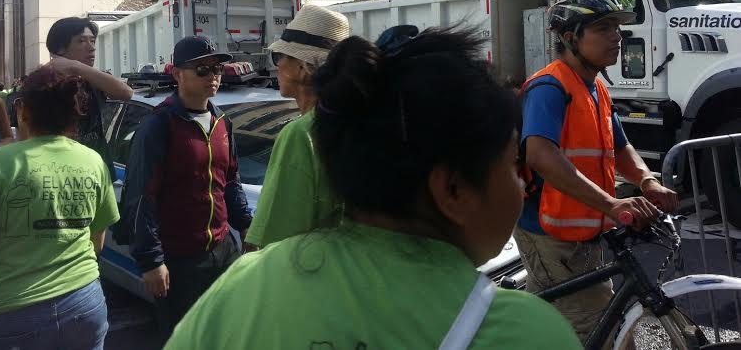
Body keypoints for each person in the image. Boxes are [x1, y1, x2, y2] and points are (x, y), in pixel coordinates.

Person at [166, 27, 582, 349]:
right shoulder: (526, 332)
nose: (523, 182)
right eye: (512, 164)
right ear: (452, 189)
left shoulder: (237, 291)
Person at [515, 0, 678, 346]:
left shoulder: (595, 89)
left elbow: (620, 147)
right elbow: (539, 155)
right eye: (603, 28)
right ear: (570, 37)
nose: (616, 36)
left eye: (617, 28)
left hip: (581, 232)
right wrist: (612, 203)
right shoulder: (550, 87)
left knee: (553, 321)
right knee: (599, 330)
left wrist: (647, 181)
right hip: (549, 234)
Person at [0, 65, 120, 349]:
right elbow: (97, 243)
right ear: (74, 113)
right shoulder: (93, 161)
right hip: (84, 303)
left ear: (22, 109)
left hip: (5, 313)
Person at [123, 36, 253, 343]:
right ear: (178, 74)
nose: (213, 76)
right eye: (202, 70)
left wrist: (246, 225)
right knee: (184, 338)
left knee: (229, 332)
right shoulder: (160, 125)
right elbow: (142, 196)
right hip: (179, 259)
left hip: (223, 250)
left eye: (217, 68)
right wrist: (152, 261)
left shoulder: (222, 121)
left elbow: (230, 180)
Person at [243, 4, 350, 251]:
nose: (276, 65)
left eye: (279, 56)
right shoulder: (355, 121)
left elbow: (274, 240)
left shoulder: (301, 134)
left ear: (303, 68)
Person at [46, 17, 133, 178]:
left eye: (93, 41)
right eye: (81, 41)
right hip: (59, 172)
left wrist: (76, 66)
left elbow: (126, 93)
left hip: (97, 169)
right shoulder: (44, 82)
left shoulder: (91, 78)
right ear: (60, 48)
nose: (91, 47)